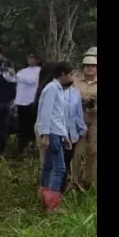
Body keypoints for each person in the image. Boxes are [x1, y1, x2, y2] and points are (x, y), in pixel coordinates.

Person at [36, 61, 74, 211]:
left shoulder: (58, 89)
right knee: (59, 168)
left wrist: (65, 136)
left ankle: (44, 194)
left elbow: (59, 116)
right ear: (63, 74)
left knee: (48, 165)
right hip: (51, 132)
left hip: (56, 132)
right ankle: (53, 204)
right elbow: (46, 113)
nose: (72, 77)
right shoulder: (52, 88)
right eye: (70, 74)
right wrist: (45, 134)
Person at [70, 55, 97, 189]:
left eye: (92, 66)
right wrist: (81, 97)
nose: (90, 68)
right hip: (78, 121)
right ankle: (74, 181)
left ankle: (89, 180)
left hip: (95, 120)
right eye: (87, 66)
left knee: (94, 150)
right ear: (83, 67)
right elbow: (67, 95)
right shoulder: (75, 81)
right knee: (77, 152)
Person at [15, 53, 41, 153]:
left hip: (31, 102)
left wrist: (18, 76)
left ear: (37, 60)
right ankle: (23, 145)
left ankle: (32, 144)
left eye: (33, 58)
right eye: (29, 57)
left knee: (31, 124)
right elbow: (13, 79)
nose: (30, 60)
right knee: (22, 125)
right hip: (20, 101)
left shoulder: (39, 71)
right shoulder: (22, 71)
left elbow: (33, 81)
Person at [63, 83, 87, 191]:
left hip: (71, 132)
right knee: (58, 162)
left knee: (68, 159)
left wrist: (82, 129)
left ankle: (69, 183)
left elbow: (78, 114)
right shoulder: (53, 90)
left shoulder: (75, 92)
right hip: (57, 132)